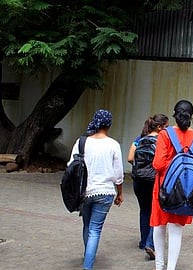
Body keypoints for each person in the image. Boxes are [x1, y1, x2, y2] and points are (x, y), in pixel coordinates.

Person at [151, 100, 193, 270]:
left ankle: (159, 266)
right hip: (186, 192)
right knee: (176, 231)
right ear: (191, 116)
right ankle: (171, 268)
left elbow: (158, 164)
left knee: (159, 227)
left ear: (174, 114)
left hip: (163, 189)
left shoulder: (165, 135)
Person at [68, 109, 124, 270]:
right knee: (95, 229)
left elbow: (70, 166)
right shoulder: (113, 144)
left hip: (84, 192)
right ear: (109, 125)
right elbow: (118, 174)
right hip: (105, 193)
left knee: (87, 226)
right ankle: (88, 265)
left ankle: (88, 256)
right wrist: (120, 193)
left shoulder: (81, 142)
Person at [127, 114, 169, 260]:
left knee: (144, 211)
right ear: (159, 127)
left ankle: (143, 241)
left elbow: (130, 158)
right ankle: (150, 244)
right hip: (153, 180)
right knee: (155, 212)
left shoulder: (140, 139)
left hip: (138, 181)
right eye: (166, 127)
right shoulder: (162, 141)